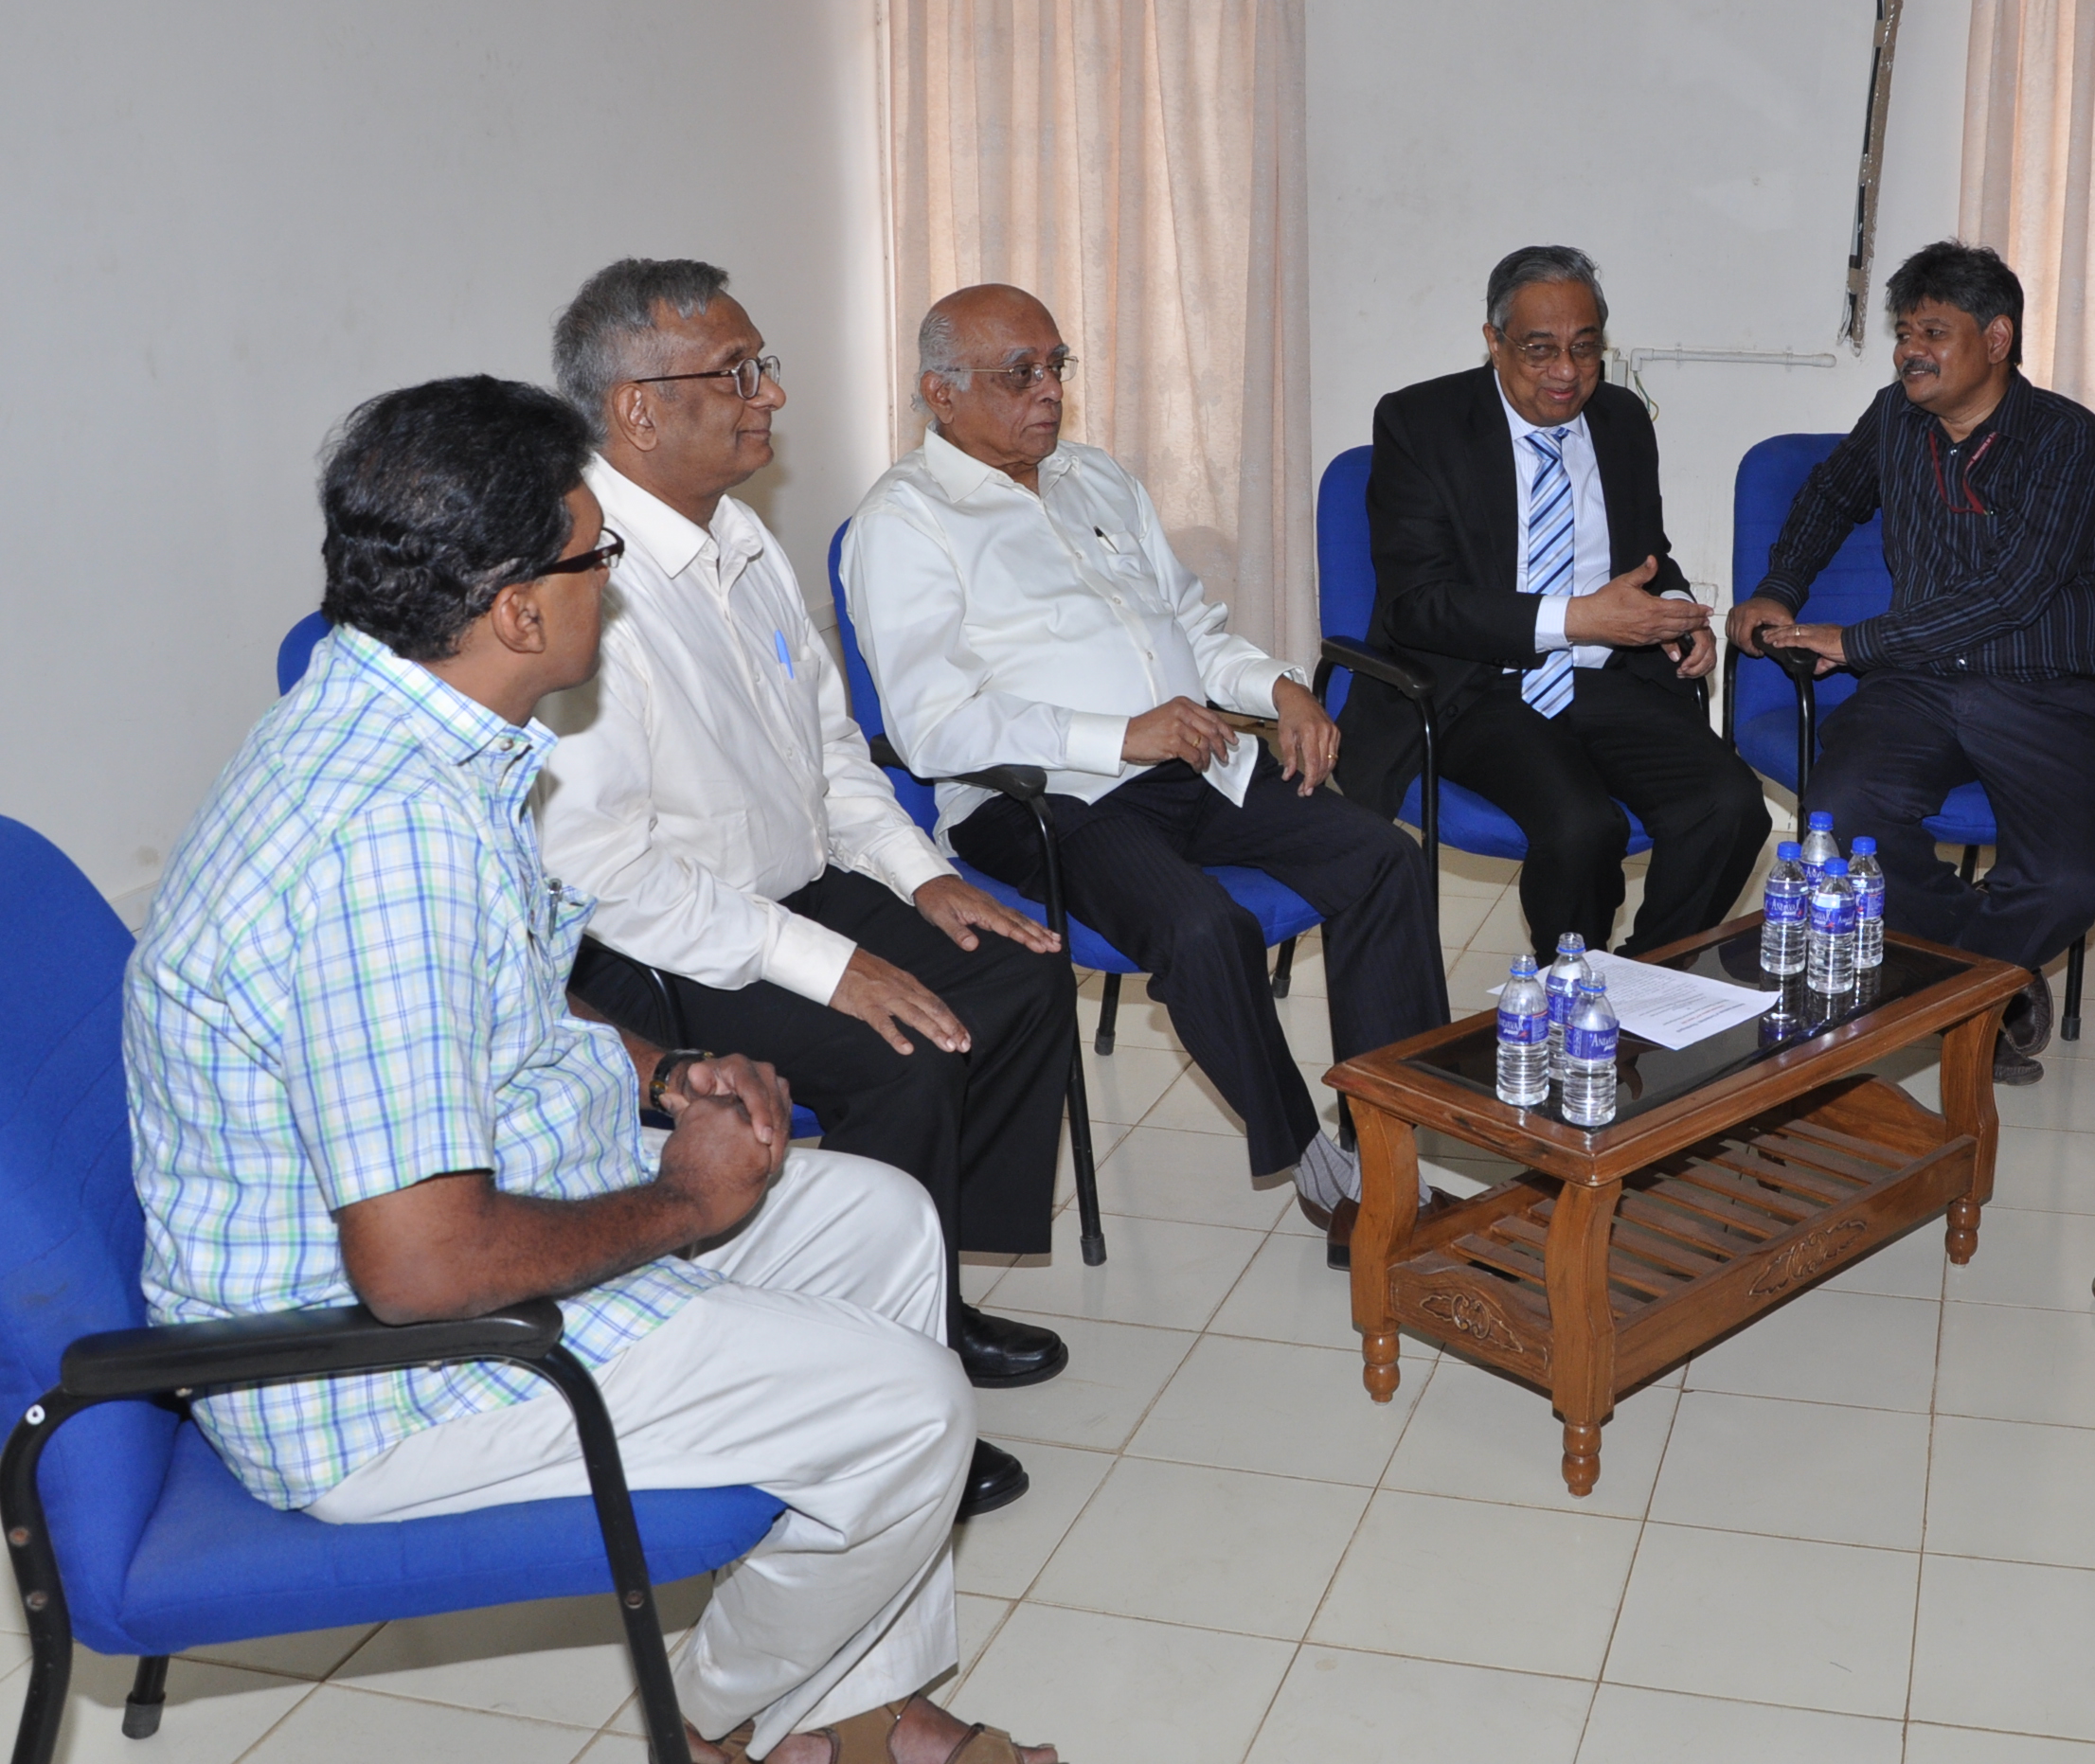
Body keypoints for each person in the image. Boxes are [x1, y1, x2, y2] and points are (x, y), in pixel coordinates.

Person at [125, 377, 1056, 1764]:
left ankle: (857, 1704)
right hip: (377, 1378)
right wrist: (685, 1202)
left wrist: (664, 1074)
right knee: (909, 1409)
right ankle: (712, 1726)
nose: (611, 580)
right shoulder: (386, 845)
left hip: (484, 1214)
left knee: (883, 1218)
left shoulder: (415, 730)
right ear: (517, 611)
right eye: (593, 553)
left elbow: (509, 984)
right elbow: (419, 1269)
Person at [535, 260, 1075, 1519]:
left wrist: (923, 877)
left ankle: (927, 1293)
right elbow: (607, 874)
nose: (770, 395)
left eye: (762, 366)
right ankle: (881, 1390)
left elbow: (831, 748)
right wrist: (831, 969)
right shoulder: (579, 580)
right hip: (657, 947)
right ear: (637, 409)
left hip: (793, 890)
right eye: (739, 374)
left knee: (1015, 978)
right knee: (903, 1055)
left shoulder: (738, 534)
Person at [845, 283, 1451, 1267]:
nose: (1049, 391)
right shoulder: (904, 521)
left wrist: (1282, 688)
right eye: (1019, 374)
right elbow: (932, 727)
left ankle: (1391, 1142)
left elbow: (1191, 630)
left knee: (1381, 857)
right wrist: (1119, 735)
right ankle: (1318, 1168)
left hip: (1192, 761)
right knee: (1205, 928)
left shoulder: (1094, 478)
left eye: (1056, 365)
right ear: (940, 392)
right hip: (1041, 799)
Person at [1726, 242, 2095, 1084]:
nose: (1911, 351)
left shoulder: (2068, 439)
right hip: (1918, 684)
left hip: (2042, 685)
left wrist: (1854, 642)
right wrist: (1778, 588)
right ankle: (1988, 984)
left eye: (1933, 332)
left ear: (1997, 338)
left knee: (2069, 884)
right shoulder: (1895, 418)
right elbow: (1829, 495)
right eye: (1905, 333)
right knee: (1842, 813)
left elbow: (2012, 592)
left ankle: (1955, 990)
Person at [1340, 245, 1771, 959]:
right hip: (1474, 687)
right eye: (1539, 349)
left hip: (1604, 678)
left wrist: (1673, 607)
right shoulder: (1420, 422)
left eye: (1585, 348)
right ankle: (1572, 985)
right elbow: (1416, 605)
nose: (1567, 372)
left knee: (1730, 808)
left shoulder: (1621, 418)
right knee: (1582, 828)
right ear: (1494, 341)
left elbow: (1648, 549)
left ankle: (1643, 978)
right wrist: (1577, 619)